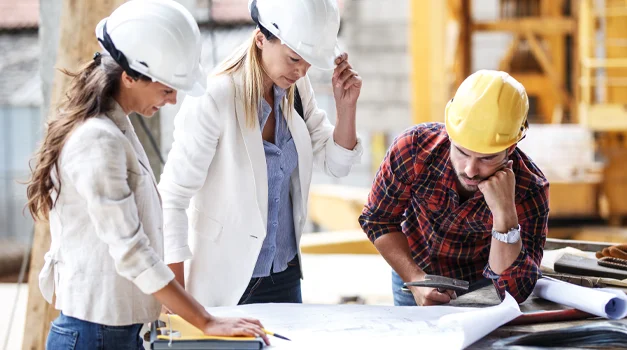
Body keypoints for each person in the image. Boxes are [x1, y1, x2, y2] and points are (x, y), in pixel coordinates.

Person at [25, 1, 269, 348]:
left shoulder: (115, 128)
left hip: (114, 331)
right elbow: (132, 251)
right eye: (167, 89)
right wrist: (206, 320)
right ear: (130, 77)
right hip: (96, 335)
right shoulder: (97, 140)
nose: (171, 101)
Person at [157, 0, 363, 307]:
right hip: (226, 285)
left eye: (308, 62)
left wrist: (347, 108)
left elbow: (336, 165)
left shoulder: (296, 88)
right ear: (260, 39)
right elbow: (172, 198)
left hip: (285, 276)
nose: (301, 70)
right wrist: (178, 305)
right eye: (294, 58)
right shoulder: (216, 97)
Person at [359, 70, 549, 306]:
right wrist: (415, 279)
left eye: (487, 158)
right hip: (415, 273)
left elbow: (514, 291)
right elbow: (377, 219)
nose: (470, 170)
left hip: (484, 288)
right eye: (462, 152)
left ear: (511, 148)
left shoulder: (530, 188)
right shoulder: (414, 149)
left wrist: (505, 214)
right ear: (450, 133)